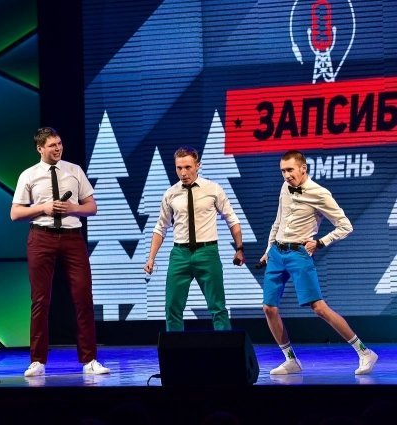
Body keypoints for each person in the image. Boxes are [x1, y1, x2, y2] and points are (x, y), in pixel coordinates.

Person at [259, 150, 378, 375]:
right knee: (268, 308)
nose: (286, 175)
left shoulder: (319, 193)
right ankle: (291, 360)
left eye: (290, 170)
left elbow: (345, 226)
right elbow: (278, 221)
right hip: (277, 253)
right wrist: (268, 250)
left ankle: (365, 352)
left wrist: (320, 242)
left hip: (299, 254)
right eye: (283, 171)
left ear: (303, 168)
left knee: (319, 308)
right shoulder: (285, 187)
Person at [10, 126, 110, 377]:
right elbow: (15, 213)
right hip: (41, 237)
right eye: (52, 145)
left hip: (72, 237)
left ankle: (90, 359)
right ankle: (37, 361)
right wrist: (43, 208)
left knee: (83, 297)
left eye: (60, 144)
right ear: (40, 148)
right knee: (40, 300)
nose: (58, 148)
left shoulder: (74, 170)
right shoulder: (29, 175)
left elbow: (92, 207)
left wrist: (73, 208)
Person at [144, 146, 245, 331]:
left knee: (217, 306)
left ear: (198, 165)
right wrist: (151, 258)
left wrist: (239, 249)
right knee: (172, 307)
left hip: (207, 252)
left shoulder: (213, 189)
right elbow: (161, 227)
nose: (183, 173)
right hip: (180, 254)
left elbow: (232, 219)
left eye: (188, 167)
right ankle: (175, 348)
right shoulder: (170, 193)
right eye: (179, 168)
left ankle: (226, 346)